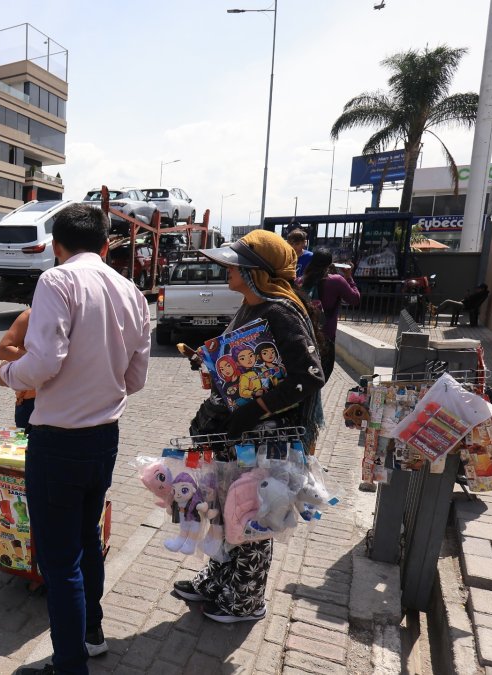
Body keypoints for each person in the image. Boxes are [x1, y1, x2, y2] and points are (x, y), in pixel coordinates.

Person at [0, 204, 151, 675]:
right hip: (104, 439)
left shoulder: (56, 281)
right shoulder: (132, 292)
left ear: (56, 246)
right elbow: (136, 379)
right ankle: (91, 635)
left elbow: (43, 362)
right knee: (86, 539)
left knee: (60, 562)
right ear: (105, 245)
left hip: (58, 442)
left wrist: (5, 374)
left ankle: (70, 665)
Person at [175, 229, 325, 624]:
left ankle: (246, 600)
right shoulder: (251, 307)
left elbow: (309, 376)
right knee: (227, 510)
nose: (227, 269)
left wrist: (254, 409)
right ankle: (220, 581)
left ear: (255, 272)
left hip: (262, 437)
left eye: (235, 264)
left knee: (252, 516)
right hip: (237, 435)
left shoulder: (280, 312)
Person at [298, 250, 360, 378]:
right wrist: (349, 277)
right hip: (326, 336)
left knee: (305, 375)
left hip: (304, 335)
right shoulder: (336, 280)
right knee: (322, 374)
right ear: (330, 264)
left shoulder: (299, 282)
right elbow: (355, 299)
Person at [0, 308, 36, 432]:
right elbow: (2, 350)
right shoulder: (32, 315)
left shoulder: (78, 314)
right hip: (31, 399)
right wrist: (37, 360)